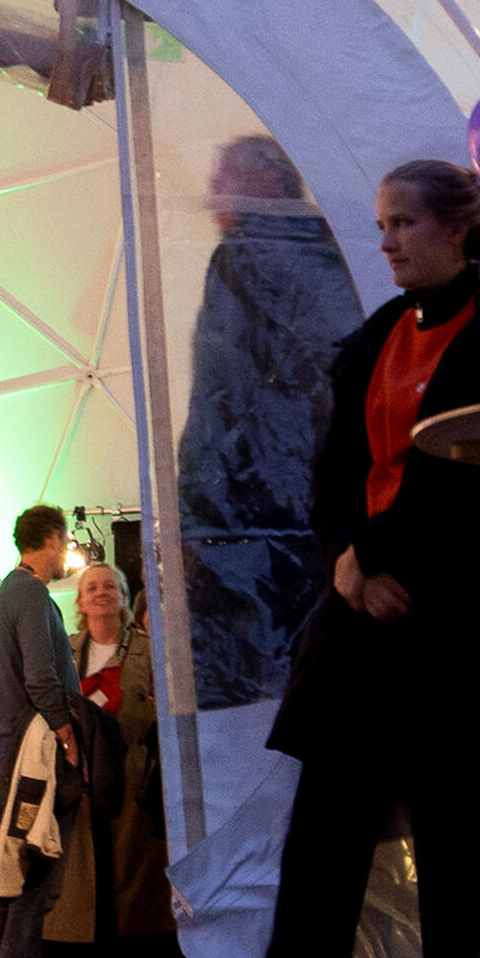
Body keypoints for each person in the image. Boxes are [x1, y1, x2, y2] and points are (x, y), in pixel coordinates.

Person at [244, 158, 480, 958]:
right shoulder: (375, 339)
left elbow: (478, 464)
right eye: (380, 225)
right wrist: (349, 560)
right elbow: (338, 469)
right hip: (361, 626)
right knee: (319, 850)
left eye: (402, 224)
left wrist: (382, 554)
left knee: (463, 854)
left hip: (460, 624)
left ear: (460, 227)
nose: (385, 241)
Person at [177, 136, 353, 705]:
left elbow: (215, 398)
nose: (213, 194)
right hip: (329, 511)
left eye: (226, 178)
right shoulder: (339, 252)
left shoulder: (242, 259)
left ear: (272, 184)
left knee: (246, 694)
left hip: (247, 516)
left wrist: (193, 518)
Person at [0, 506, 96, 958]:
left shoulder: (9, 594)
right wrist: (69, 739)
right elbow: (42, 679)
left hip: (19, 754)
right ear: (52, 539)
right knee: (36, 877)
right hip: (39, 759)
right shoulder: (29, 595)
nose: (67, 553)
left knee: (11, 879)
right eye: (65, 542)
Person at [75, 556, 173, 958]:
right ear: (80, 603)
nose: (100, 592)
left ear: (123, 598)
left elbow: (168, 710)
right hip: (79, 783)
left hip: (133, 780)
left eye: (108, 586)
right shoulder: (65, 651)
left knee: (133, 883)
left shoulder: (150, 650)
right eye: (91, 587)